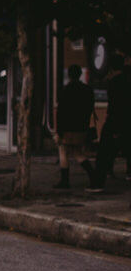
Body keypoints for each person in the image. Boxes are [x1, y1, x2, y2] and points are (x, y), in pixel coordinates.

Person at [55, 64, 100, 192]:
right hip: (81, 127)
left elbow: (61, 112)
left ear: (69, 75)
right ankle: (92, 175)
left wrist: (59, 131)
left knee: (63, 151)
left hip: (68, 128)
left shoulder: (66, 90)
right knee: (77, 152)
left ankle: (65, 180)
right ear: (80, 74)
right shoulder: (87, 90)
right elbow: (90, 108)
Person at [97, 53, 130, 183]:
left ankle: (107, 169)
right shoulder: (127, 80)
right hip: (127, 116)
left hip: (116, 117)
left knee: (108, 145)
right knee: (127, 144)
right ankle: (129, 170)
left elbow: (114, 103)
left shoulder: (113, 82)